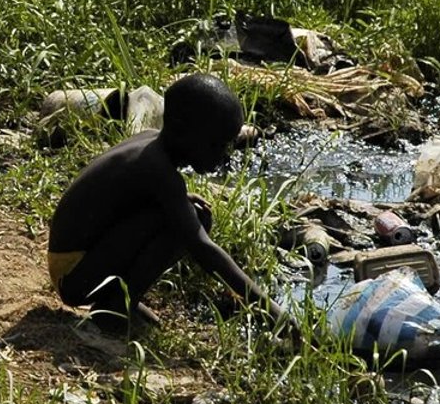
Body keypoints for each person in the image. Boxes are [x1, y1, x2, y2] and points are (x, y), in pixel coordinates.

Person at [46, 73, 295, 337]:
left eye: (228, 145)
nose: (224, 154)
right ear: (180, 127)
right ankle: (116, 308)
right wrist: (270, 308)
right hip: (74, 276)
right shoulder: (158, 169)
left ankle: (116, 301)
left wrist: (181, 201)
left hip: (79, 262)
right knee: (188, 224)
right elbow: (204, 250)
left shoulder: (152, 144)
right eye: (215, 144)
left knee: (194, 214)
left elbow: (121, 199)